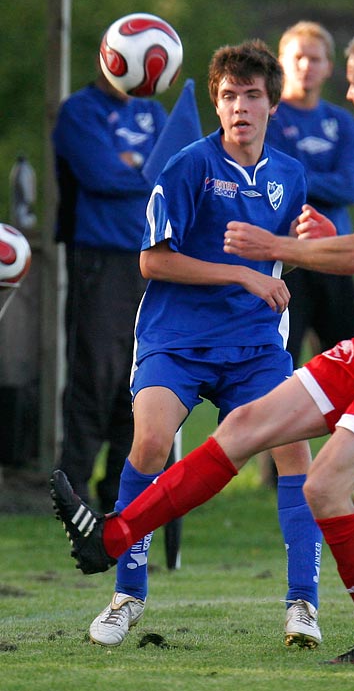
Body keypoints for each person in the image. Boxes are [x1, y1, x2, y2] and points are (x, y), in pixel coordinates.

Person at [51, 27, 354, 666]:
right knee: (212, 433)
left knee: (313, 477)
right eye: (230, 96)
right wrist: (304, 251)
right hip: (234, 339)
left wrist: (285, 251)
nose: (346, 98)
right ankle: (117, 561)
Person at [73, 40, 323, 650]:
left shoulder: (290, 175)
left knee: (295, 457)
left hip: (254, 345)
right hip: (176, 338)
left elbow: (290, 255)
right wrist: (241, 273)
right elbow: (152, 261)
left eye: (253, 95)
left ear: (271, 106)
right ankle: (128, 594)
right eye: (229, 95)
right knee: (152, 441)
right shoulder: (188, 165)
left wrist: (314, 241)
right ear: (216, 103)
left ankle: (304, 607)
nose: (240, 106)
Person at [52, 59, 167, 512]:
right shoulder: (79, 111)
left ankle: (122, 493)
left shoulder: (153, 112)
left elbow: (165, 172)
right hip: (97, 259)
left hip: (150, 259)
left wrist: (133, 166)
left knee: (137, 377)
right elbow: (99, 176)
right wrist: (141, 169)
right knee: (92, 374)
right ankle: (71, 491)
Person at [266, 21, 354, 365]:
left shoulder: (341, 122)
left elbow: (349, 187)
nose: (305, 66)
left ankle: (344, 423)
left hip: (335, 251)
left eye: (314, 58)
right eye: (297, 57)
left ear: (328, 67)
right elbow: (278, 183)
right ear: (281, 63)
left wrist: (303, 176)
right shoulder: (270, 119)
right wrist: (317, 180)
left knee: (350, 359)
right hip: (290, 257)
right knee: (284, 360)